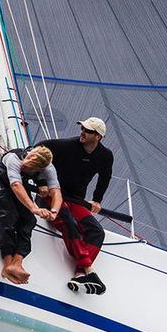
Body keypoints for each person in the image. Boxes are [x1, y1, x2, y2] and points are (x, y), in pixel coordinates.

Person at [38, 117, 114, 294]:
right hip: (53, 195)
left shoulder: (105, 155)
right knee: (68, 221)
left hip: (75, 200)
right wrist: (41, 181)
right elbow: (39, 148)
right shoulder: (68, 145)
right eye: (82, 128)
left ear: (98, 137)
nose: (82, 132)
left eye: (87, 131)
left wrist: (97, 199)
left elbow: (105, 177)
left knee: (97, 231)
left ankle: (79, 274)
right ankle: (88, 269)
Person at [0, 146, 61, 284]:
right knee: (9, 215)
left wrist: (54, 211)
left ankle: (17, 263)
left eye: (28, 168)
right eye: (25, 162)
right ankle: (7, 264)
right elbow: (16, 186)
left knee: (29, 220)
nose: (24, 165)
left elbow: (56, 193)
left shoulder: (48, 168)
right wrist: (34, 208)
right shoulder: (14, 159)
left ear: (39, 170)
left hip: (18, 184)